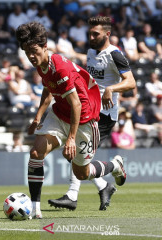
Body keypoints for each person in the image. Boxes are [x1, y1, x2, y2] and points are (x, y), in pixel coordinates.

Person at [15, 21, 127, 219]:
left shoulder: (60, 67)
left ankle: (115, 166)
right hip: (60, 114)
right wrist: (38, 117)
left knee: (82, 173)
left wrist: (71, 138)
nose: (31, 56)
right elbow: (48, 89)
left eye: (34, 50)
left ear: (44, 47)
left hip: (84, 119)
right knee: (36, 152)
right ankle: (35, 208)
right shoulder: (42, 65)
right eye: (26, 52)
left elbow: (76, 105)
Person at [48, 16, 136, 212]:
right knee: (74, 153)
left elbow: (131, 82)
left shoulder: (115, 54)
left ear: (107, 34)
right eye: (90, 33)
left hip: (104, 115)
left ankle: (77, 192)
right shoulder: (89, 52)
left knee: (77, 154)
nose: (91, 36)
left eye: (95, 33)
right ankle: (104, 185)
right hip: (88, 109)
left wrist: (111, 89)